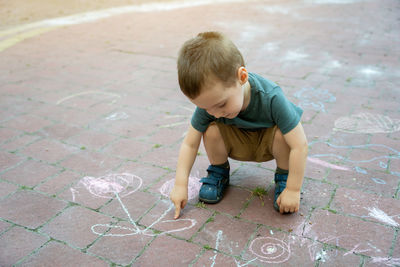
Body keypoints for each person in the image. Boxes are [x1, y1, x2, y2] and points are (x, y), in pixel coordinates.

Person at [170, 31, 308, 219]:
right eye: (207, 108)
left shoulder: (272, 97)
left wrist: (293, 189)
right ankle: (218, 172)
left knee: (285, 135)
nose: (216, 113)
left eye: (221, 104)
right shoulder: (211, 104)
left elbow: (300, 145)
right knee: (210, 131)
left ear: (242, 77)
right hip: (237, 142)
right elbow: (190, 143)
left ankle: (284, 178)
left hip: (268, 144)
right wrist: (180, 185)